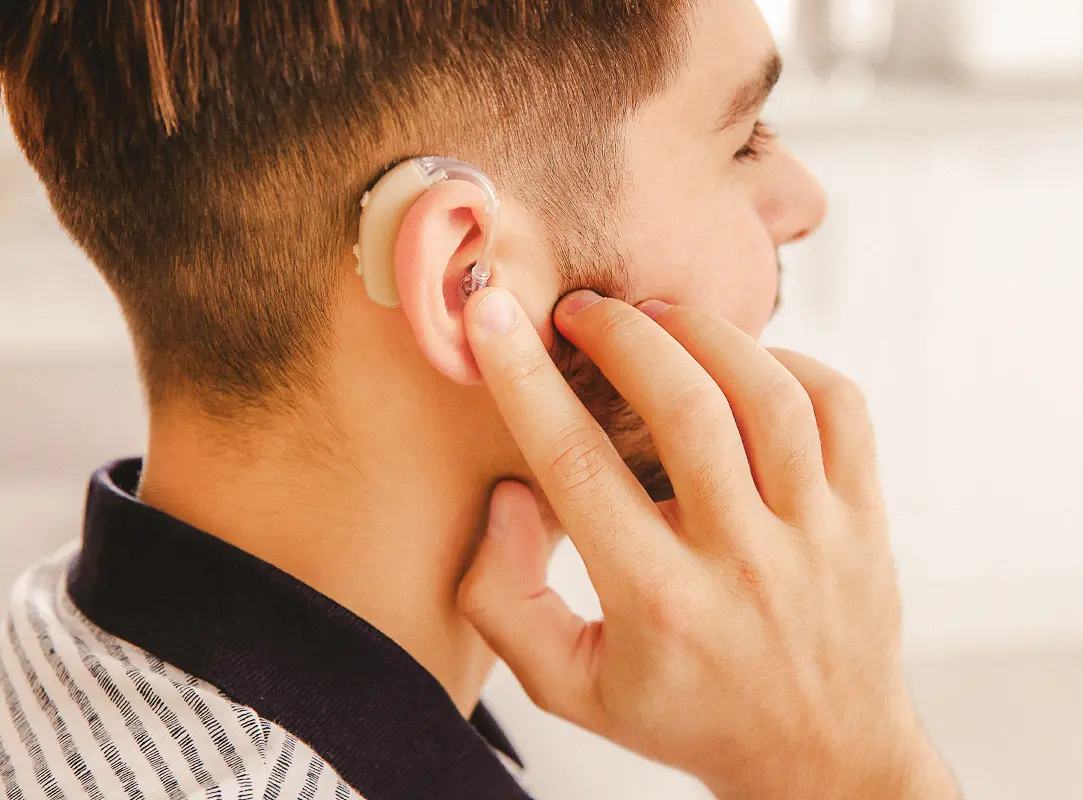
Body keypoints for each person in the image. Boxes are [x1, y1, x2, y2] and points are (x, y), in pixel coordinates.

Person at [0, 0, 960, 797]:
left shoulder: (45, 642)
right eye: (745, 140)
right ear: (468, 277)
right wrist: (850, 766)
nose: (804, 201)